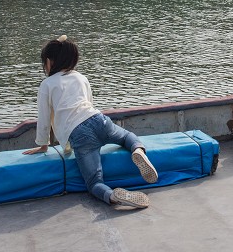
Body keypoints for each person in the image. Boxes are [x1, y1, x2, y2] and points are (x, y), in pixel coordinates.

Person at [23, 35, 158, 210]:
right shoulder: (80, 77)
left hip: (79, 135)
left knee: (94, 182)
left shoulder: (47, 84)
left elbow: (44, 118)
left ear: (49, 62)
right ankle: (138, 151)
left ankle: (112, 196)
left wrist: (43, 145)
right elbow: (89, 103)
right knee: (126, 137)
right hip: (98, 120)